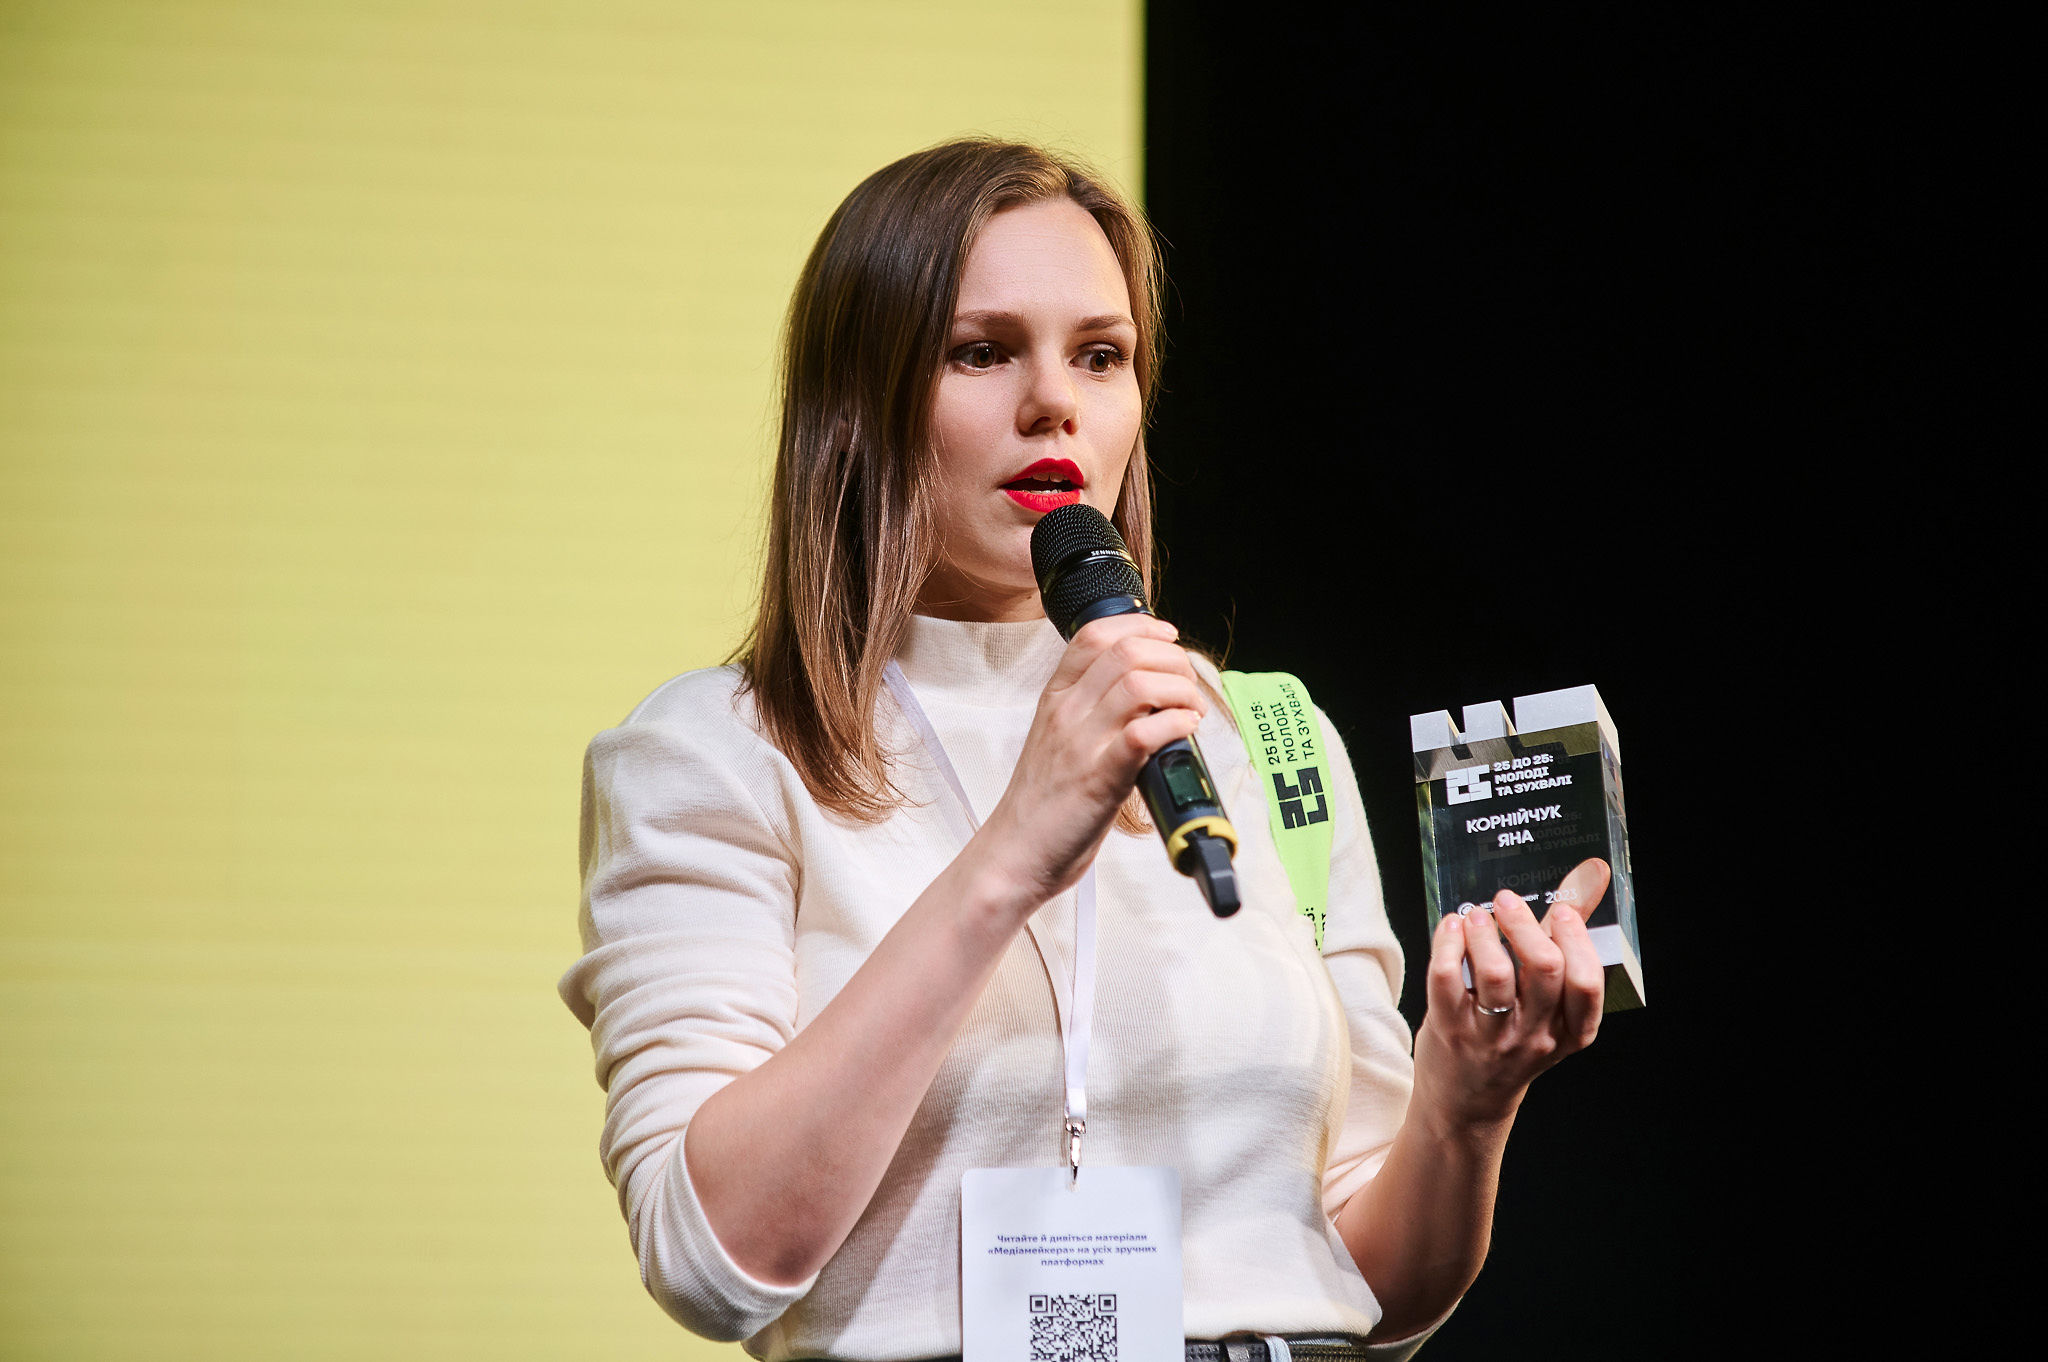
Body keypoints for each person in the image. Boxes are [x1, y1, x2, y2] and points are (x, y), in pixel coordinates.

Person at [558, 138, 1606, 1361]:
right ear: (859, 402)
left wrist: (1468, 1105)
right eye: (981, 350)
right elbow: (711, 1257)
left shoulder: (1264, 733)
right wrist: (1011, 850)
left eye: (1099, 356)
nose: (1053, 399)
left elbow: (1369, 1287)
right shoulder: (715, 751)